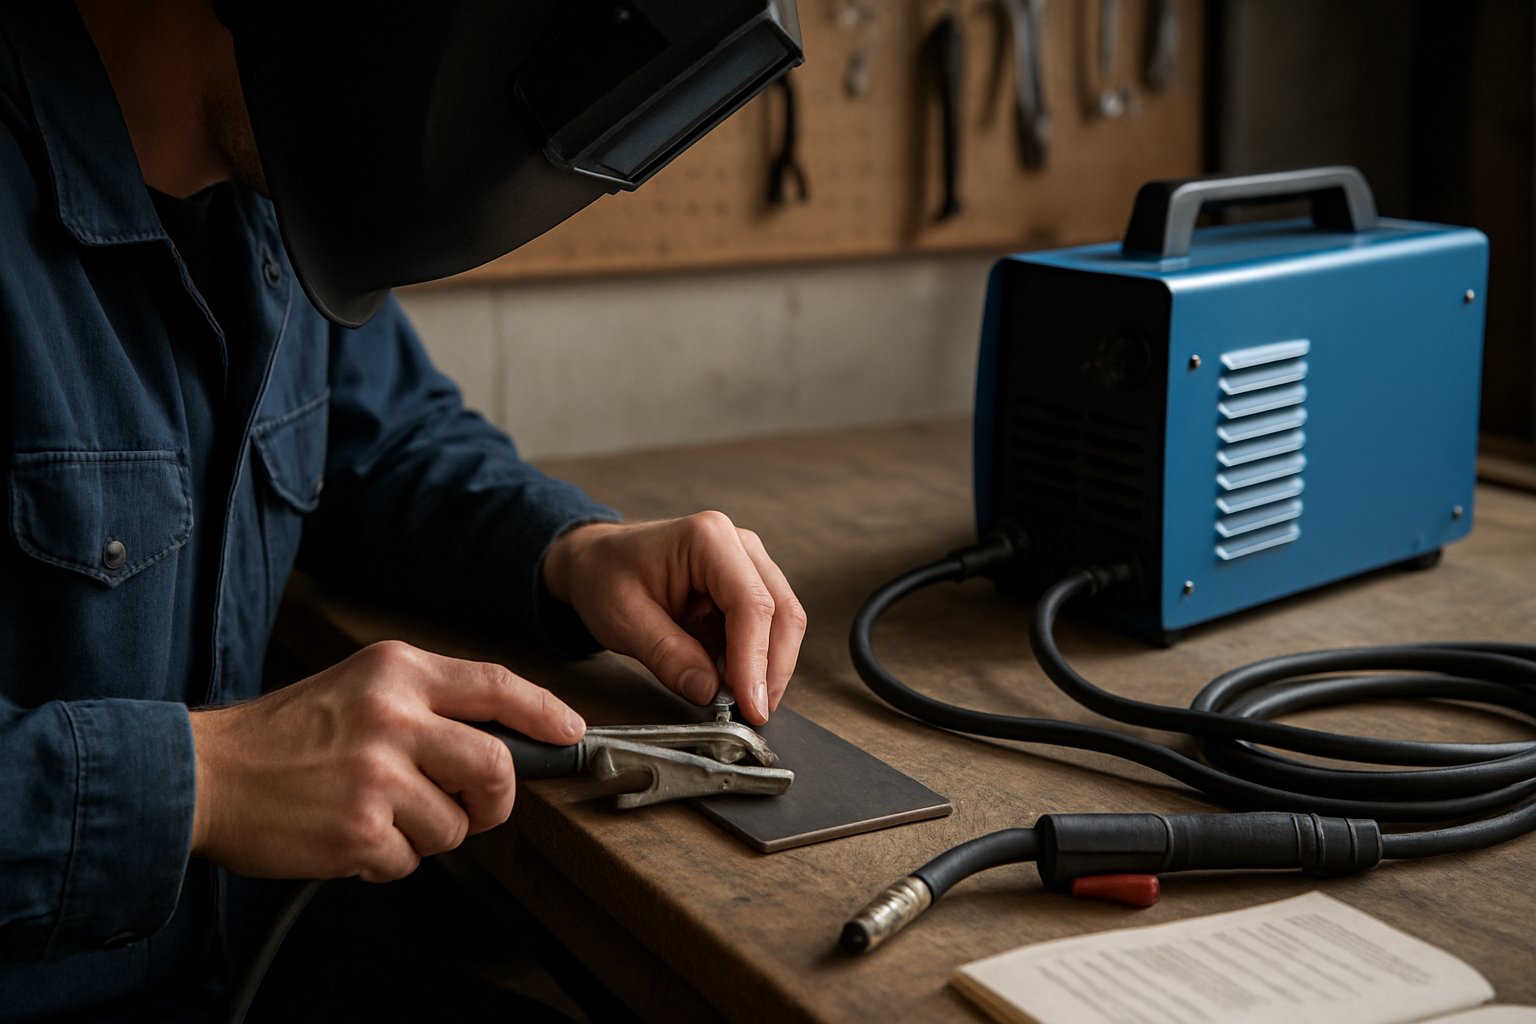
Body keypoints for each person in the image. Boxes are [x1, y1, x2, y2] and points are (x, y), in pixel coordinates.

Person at [0, 0, 807, 1019]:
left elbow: (384, 440)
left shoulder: (273, 178)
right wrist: (200, 782)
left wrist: (572, 550)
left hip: (236, 966)